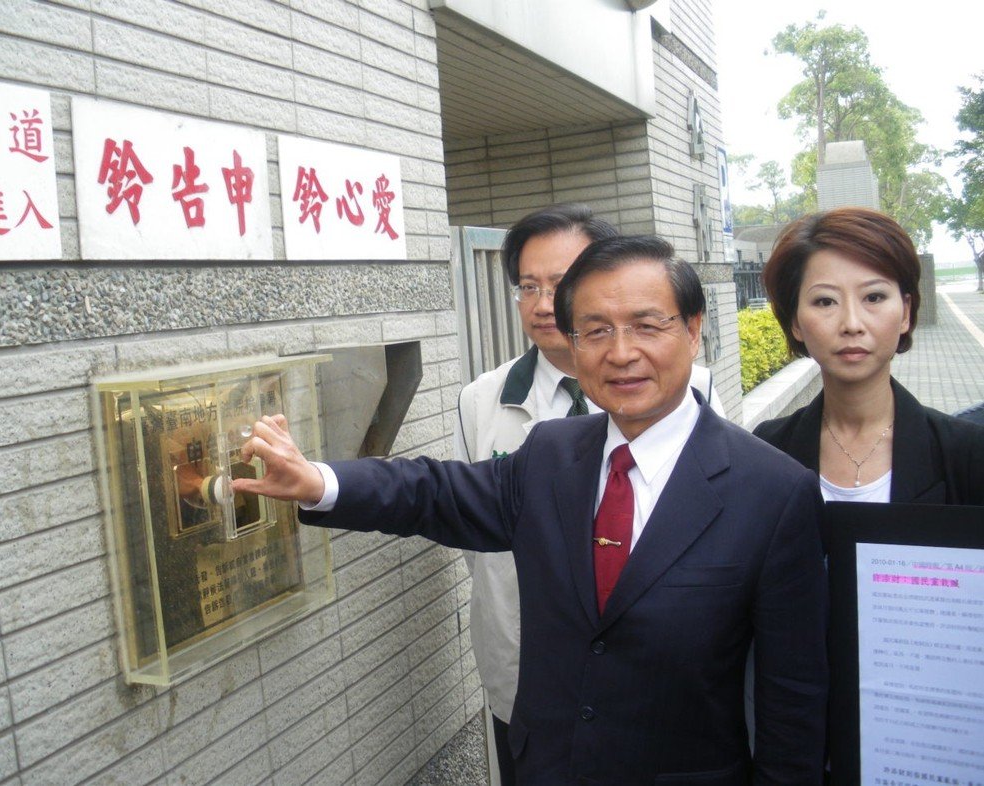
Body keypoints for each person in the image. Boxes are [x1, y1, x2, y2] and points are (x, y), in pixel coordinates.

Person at [235, 236, 828, 784]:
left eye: (647, 326)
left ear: (693, 330)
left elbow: (793, 704)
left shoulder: (773, 491)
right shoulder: (550, 453)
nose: (622, 353)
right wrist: (317, 480)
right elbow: (435, 492)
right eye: (595, 331)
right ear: (572, 342)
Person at [455, 204, 725, 784]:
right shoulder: (481, 399)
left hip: (660, 688)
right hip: (526, 676)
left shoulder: (691, 387)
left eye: (561, 283)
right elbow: (474, 523)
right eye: (528, 286)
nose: (543, 303)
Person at [754, 207, 984, 504]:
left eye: (873, 297)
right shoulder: (767, 449)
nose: (852, 324)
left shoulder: (967, 453)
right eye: (825, 301)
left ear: (905, 312)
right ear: (795, 321)